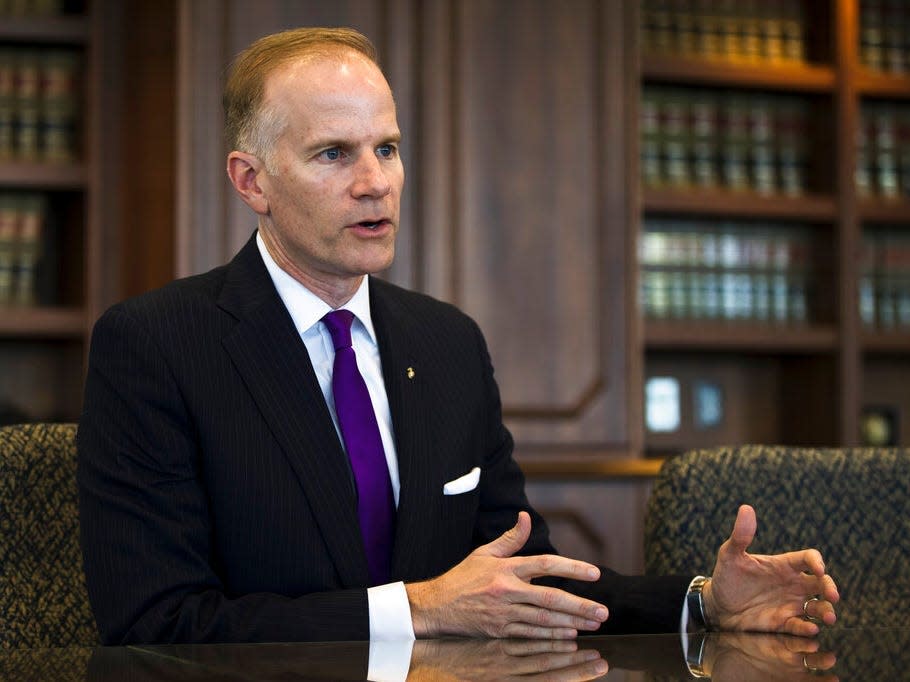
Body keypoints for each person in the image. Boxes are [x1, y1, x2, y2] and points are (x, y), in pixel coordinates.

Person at [76, 26, 838, 645]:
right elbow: (157, 621)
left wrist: (701, 604)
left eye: (388, 148)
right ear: (252, 182)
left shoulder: (446, 345)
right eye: (333, 154)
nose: (375, 181)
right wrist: (421, 608)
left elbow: (521, 569)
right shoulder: (156, 348)